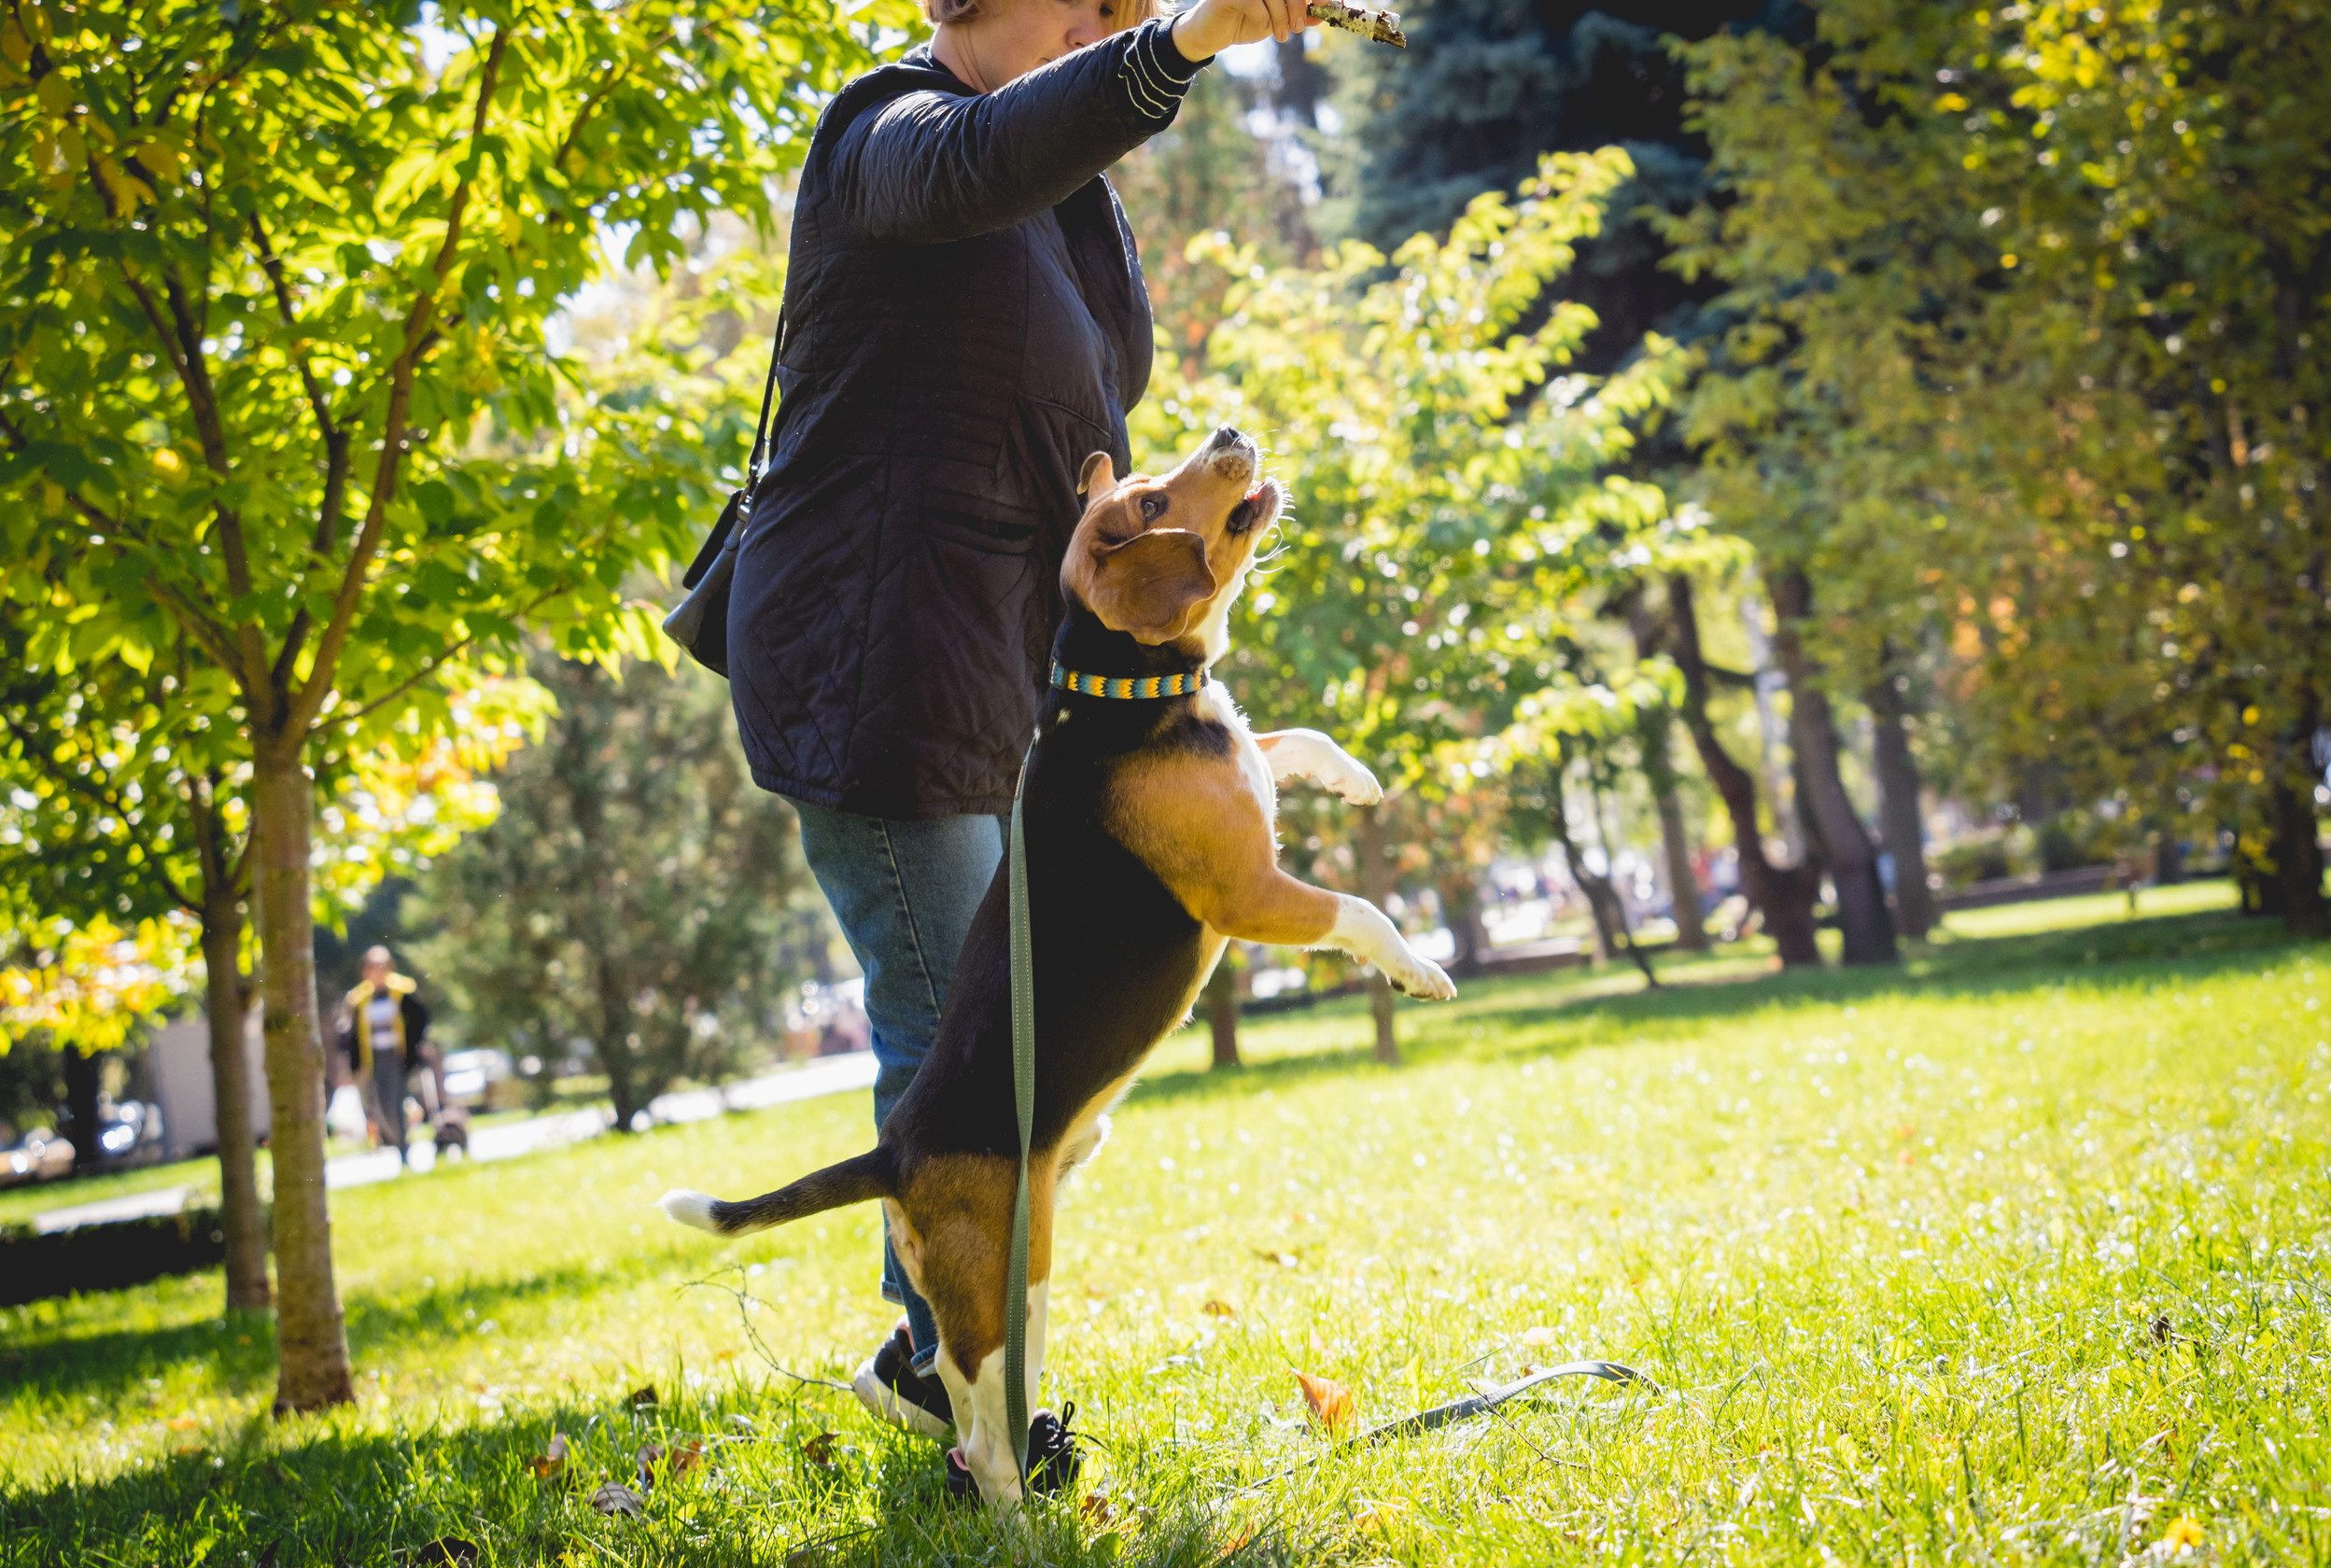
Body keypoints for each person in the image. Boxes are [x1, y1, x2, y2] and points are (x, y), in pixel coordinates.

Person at [724, 0, 1317, 1444]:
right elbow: (981, 158)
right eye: (1085, 5)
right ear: (962, 9)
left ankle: (924, 1360)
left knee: (994, 1043)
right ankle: (960, 1388)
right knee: (958, 1030)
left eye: (1126, 5)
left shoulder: (1072, 208)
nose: (1110, 22)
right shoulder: (890, 136)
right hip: (880, 672)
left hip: (992, 670)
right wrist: (1172, 48)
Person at [337, 946, 437, 1168]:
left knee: (396, 1102)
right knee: (381, 1106)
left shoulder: (403, 991)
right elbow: (351, 1034)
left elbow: (420, 1020)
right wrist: (352, 1064)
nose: (378, 972)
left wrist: (417, 1048)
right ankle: (398, 1143)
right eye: (373, 967)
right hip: (373, 1059)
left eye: (383, 966)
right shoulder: (358, 998)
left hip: (399, 1058)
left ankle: (404, 1152)